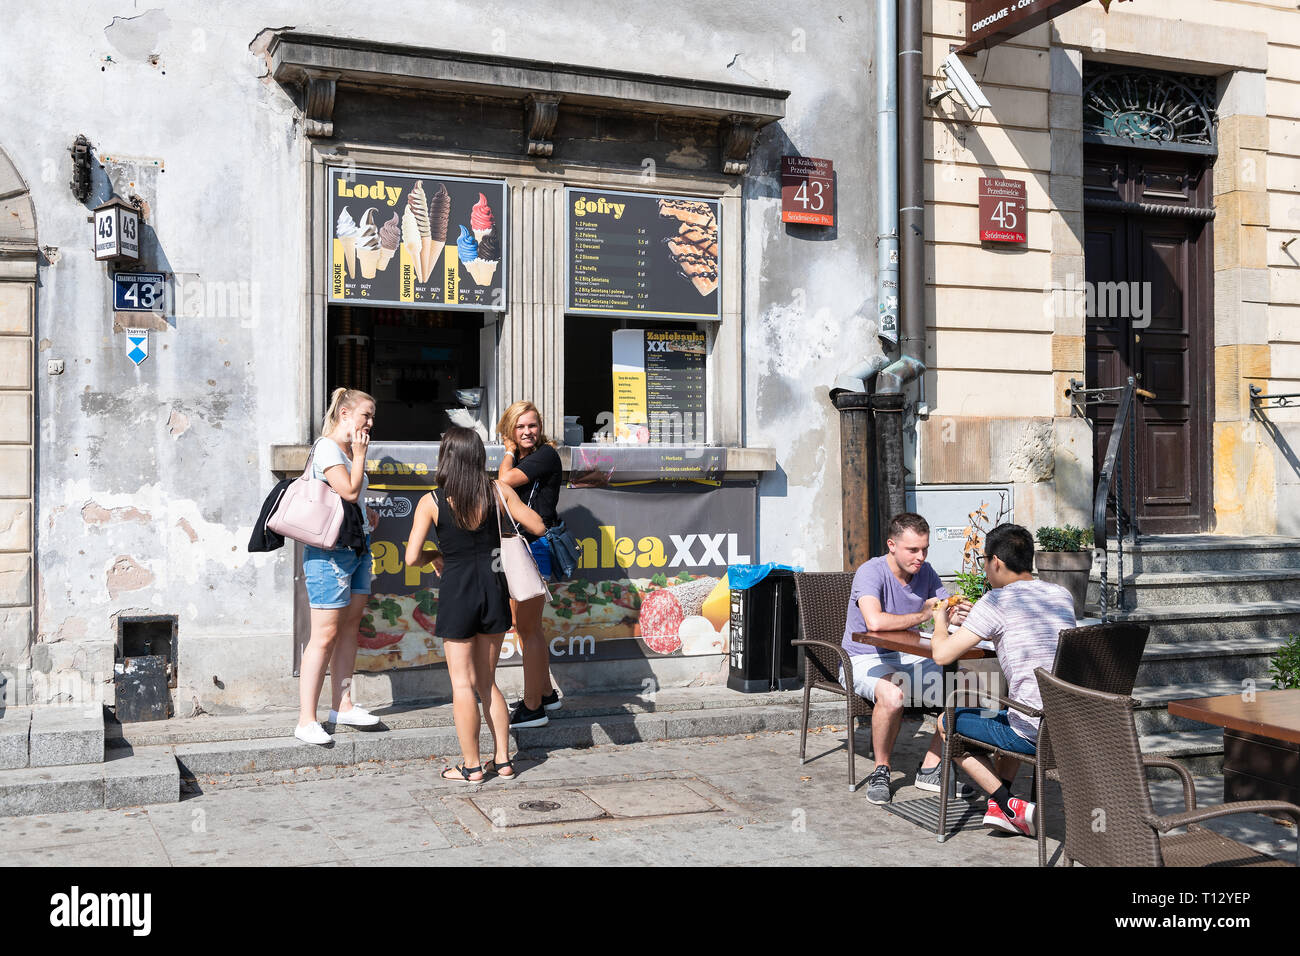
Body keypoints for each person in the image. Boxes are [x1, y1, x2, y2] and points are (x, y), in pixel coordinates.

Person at [405, 426, 546, 782]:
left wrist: (435, 555)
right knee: (488, 683)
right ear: (479, 456)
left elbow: (410, 558)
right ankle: (503, 760)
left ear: (447, 457)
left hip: (457, 593)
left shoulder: (432, 502)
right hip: (494, 589)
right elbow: (539, 526)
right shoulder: (498, 491)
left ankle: (470, 766)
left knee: (462, 685)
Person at [931, 523, 1077, 838]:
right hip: (1069, 726)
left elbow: (942, 655)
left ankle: (1007, 804)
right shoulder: (1060, 594)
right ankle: (1001, 809)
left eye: (984, 561)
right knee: (1010, 710)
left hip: (1033, 731)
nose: (984, 568)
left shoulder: (995, 602)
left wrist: (940, 620)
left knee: (946, 723)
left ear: (995, 561)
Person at [840, 512, 973, 805]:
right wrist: (924, 615)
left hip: (908, 655)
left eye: (924, 548)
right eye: (913, 550)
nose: (920, 556)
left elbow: (943, 609)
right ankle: (881, 769)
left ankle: (931, 767)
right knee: (892, 693)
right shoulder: (871, 572)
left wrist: (959, 614)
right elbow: (874, 622)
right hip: (863, 656)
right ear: (892, 545)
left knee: (967, 686)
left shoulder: (925, 571)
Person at [296, 387, 383, 745]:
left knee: (349, 629)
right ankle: (305, 719)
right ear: (345, 414)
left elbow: (351, 501)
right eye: (366, 415)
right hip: (329, 553)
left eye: (373, 417)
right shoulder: (329, 447)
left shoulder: (346, 451)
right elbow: (347, 490)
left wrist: (367, 514)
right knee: (325, 635)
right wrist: (361, 456)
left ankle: (342, 705)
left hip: (357, 547)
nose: (370, 423)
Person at [495, 400, 563, 729]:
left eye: (531, 425)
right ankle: (546, 692)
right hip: (521, 546)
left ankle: (533, 706)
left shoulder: (545, 455)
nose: (527, 431)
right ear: (510, 428)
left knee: (528, 629)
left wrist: (507, 450)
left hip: (533, 547)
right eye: (519, 426)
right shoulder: (530, 458)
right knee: (529, 628)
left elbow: (503, 481)